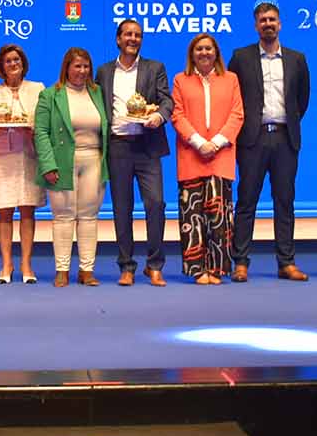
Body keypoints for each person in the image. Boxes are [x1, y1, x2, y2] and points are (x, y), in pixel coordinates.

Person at [227, 2, 311, 282]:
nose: (268, 24)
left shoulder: (297, 59)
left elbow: (302, 100)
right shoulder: (240, 57)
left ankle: (286, 262)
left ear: (280, 24)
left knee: (285, 202)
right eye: (262, 20)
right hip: (253, 139)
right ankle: (240, 262)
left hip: (286, 139)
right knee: (246, 201)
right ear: (255, 25)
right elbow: (232, 96)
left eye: (272, 19)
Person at [94, 19, 173, 287]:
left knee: (156, 204)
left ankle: (154, 266)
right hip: (118, 147)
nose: (133, 38)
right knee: (122, 208)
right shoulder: (104, 72)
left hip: (147, 145)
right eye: (128, 34)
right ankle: (126, 266)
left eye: (138, 35)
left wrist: (160, 117)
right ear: (118, 39)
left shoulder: (155, 68)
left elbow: (166, 101)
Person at [170, 33, 244, 284]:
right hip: (192, 155)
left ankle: (217, 269)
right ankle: (196, 269)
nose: (204, 52)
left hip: (221, 155)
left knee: (220, 218)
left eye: (208, 48)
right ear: (192, 54)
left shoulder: (231, 79)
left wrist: (217, 142)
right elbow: (177, 115)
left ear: (216, 52)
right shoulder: (181, 80)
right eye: (199, 49)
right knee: (193, 217)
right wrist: (200, 143)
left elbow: (237, 114)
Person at [34, 47, 109, 287]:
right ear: (66, 67)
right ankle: (62, 270)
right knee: (63, 216)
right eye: (77, 66)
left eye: (86, 66)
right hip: (62, 162)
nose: (82, 71)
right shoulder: (50, 95)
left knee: (89, 216)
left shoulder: (98, 93)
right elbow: (41, 133)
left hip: (94, 161)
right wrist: (48, 165)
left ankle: (87, 270)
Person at [0, 44, 46, 284]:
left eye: (16, 59)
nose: (13, 64)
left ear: (23, 63)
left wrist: (34, 128)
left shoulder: (38, 89)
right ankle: (6, 265)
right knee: (4, 212)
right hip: (1, 159)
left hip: (28, 157)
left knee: (28, 210)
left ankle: (26, 264)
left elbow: (44, 123)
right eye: (8, 61)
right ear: (1, 66)